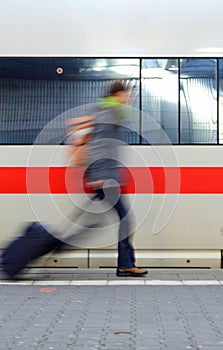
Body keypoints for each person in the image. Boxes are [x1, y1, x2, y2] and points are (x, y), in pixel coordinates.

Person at [86, 81, 148, 277]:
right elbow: (98, 146)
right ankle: (125, 264)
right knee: (126, 219)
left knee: (120, 219)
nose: (128, 99)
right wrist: (99, 175)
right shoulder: (108, 114)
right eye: (126, 95)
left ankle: (126, 263)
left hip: (108, 176)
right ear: (117, 94)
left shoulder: (111, 112)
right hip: (105, 178)